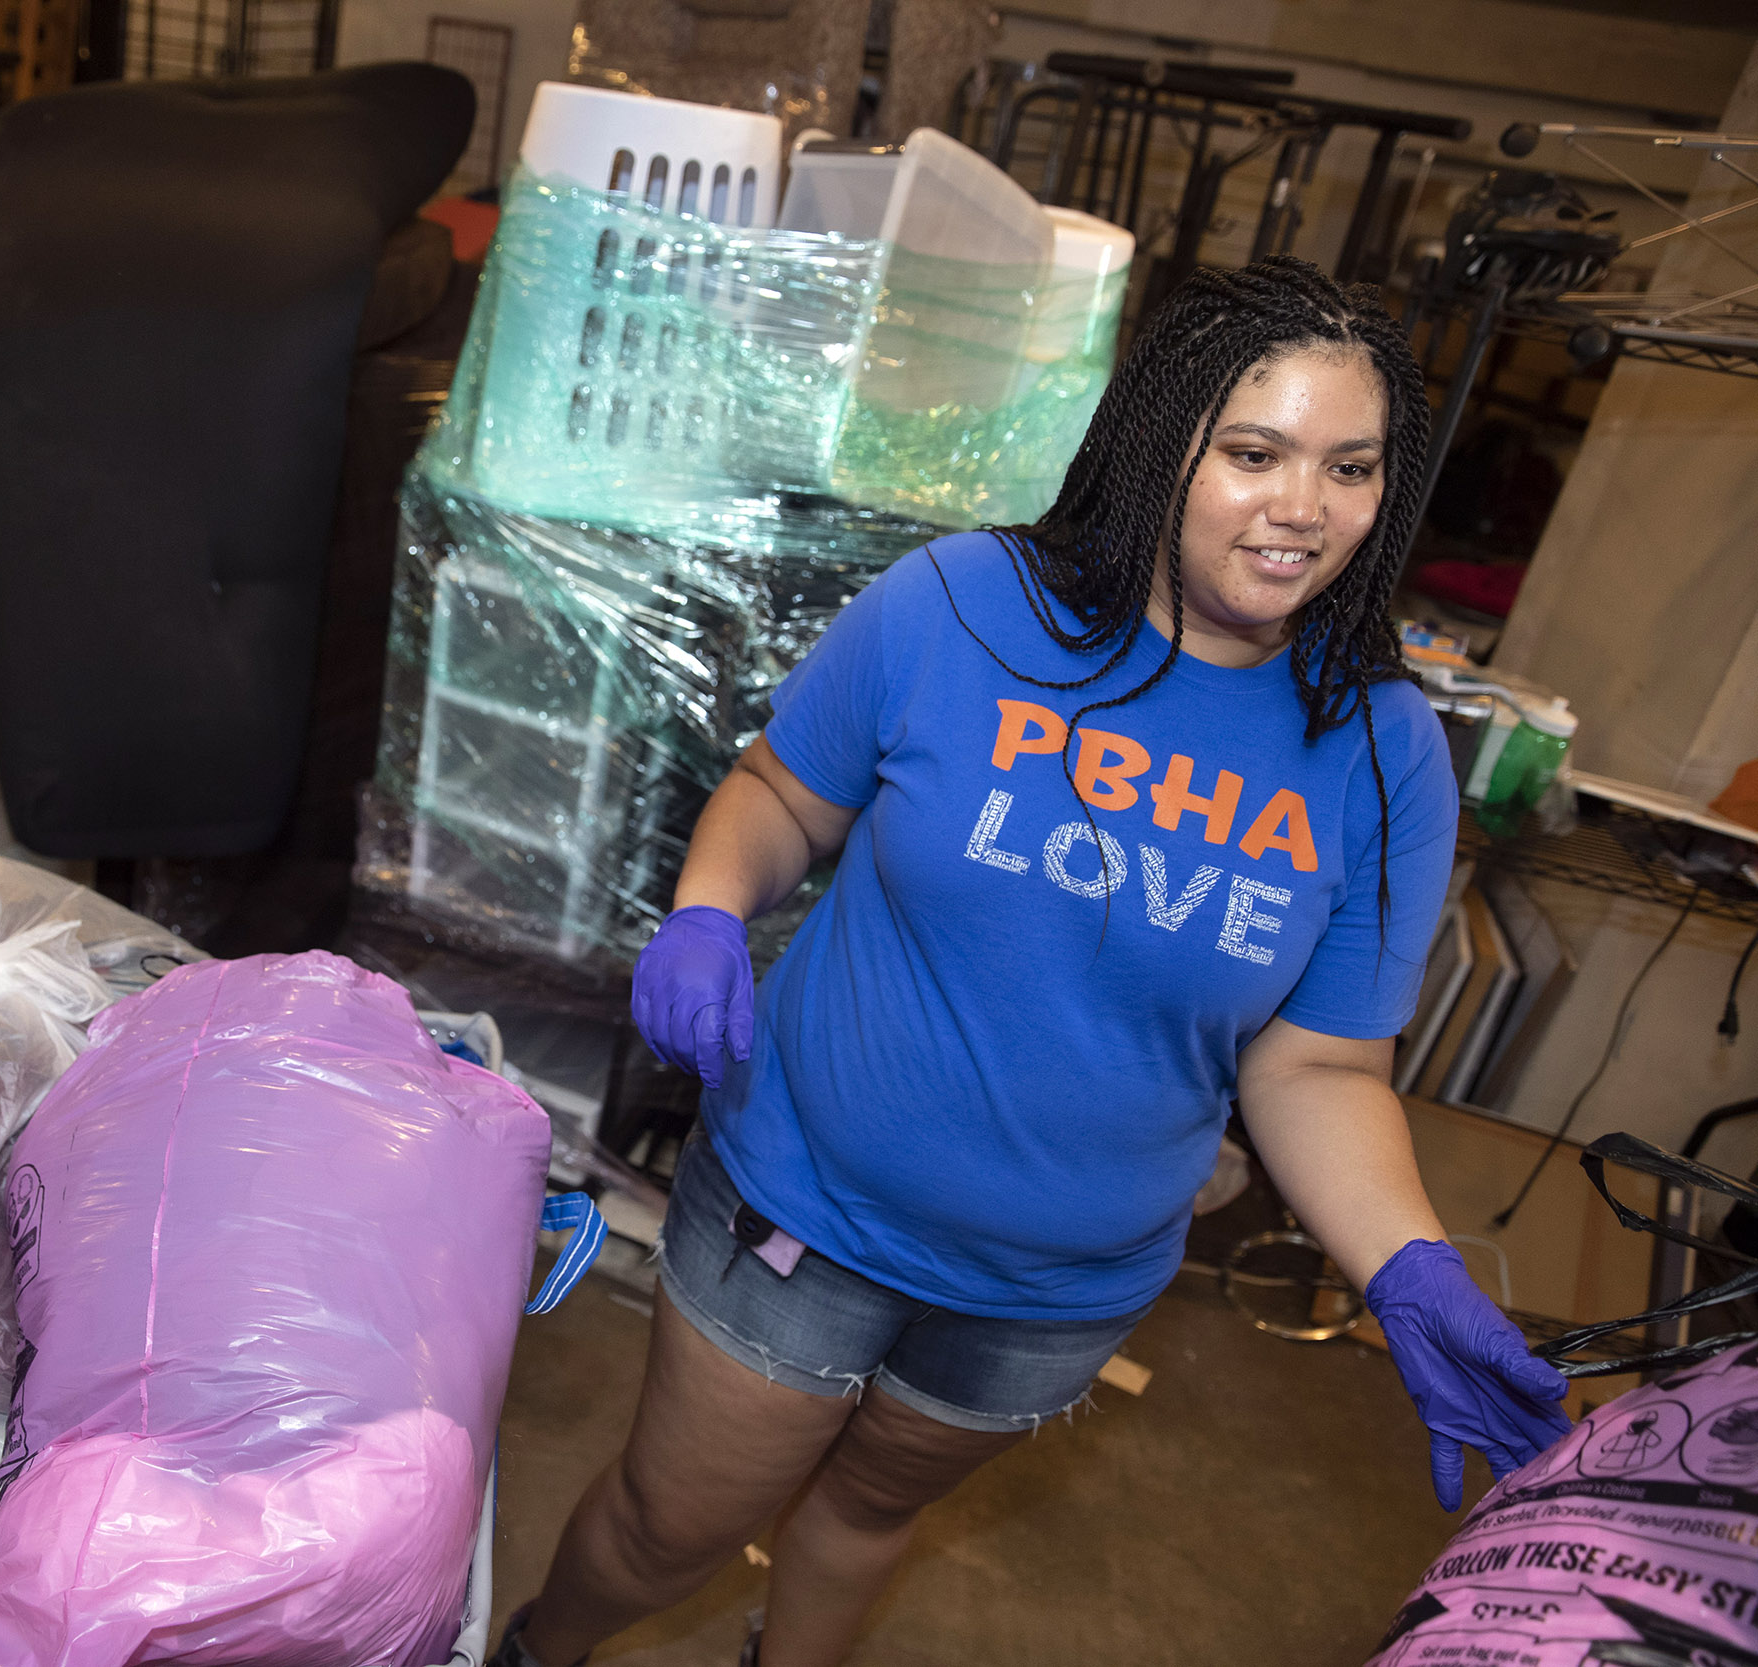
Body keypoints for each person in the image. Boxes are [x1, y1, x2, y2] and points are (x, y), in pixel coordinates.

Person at [491, 256, 1573, 1667]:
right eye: (1255, 453)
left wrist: (1410, 1266)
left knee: (870, 1516)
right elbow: (782, 794)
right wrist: (708, 904)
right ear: (1157, 443)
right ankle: (532, 1652)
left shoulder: (1382, 755)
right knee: (670, 1526)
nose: (1305, 509)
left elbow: (1316, 1061)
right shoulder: (964, 606)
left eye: (1351, 467)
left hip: (1057, 1293)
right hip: (809, 1210)